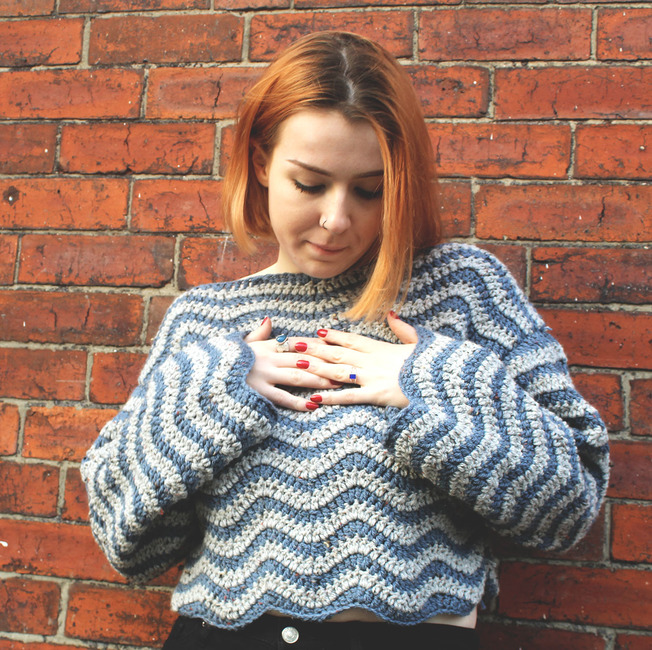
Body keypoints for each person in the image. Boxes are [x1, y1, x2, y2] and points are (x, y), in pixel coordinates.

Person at [82, 31, 610, 650]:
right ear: (261, 163)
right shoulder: (205, 321)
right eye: (310, 184)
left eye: (369, 190)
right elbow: (128, 541)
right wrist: (214, 384)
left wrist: (430, 380)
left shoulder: (461, 290)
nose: (336, 220)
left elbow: (569, 504)